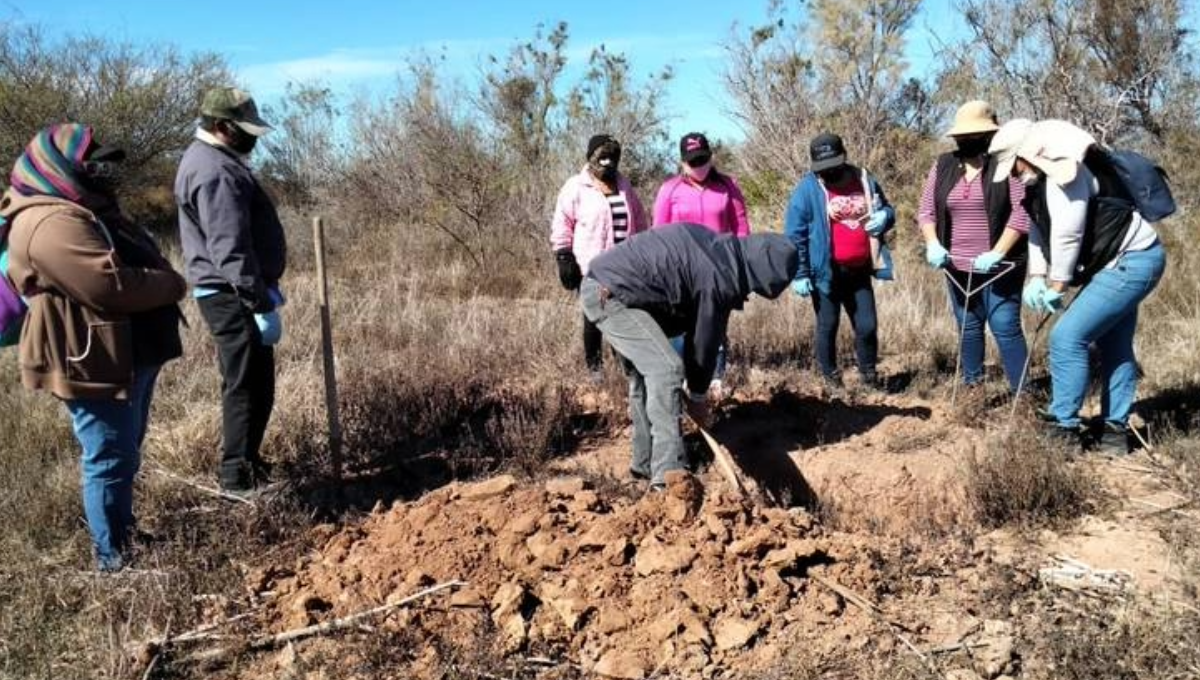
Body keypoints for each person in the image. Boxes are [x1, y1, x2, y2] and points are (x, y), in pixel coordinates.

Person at [1, 124, 186, 571]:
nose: (103, 173)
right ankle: (113, 558)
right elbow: (108, 286)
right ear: (57, 166)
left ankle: (124, 532)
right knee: (108, 456)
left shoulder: (86, 208)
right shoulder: (48, 220)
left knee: (125, 450)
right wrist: (172, 283)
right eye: (93, 165)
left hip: (121, 354)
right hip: (88, 359)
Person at [989, 119, 1166, 454]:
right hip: (1122, 263)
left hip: (1132, 260)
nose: (1012, 175)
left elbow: (1067, 234)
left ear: (1025, 156)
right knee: (1113, 341)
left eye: (1012, 166)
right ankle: (1114, 431)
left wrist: (1058, 285)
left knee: (1067, 337)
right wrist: (1037, 277)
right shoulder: (1037, 185)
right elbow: (1038, 233)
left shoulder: (1064, 177)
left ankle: (1063, 427)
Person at [580, 223, 799, 489]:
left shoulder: (723, 254)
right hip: (610, 294)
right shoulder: (720, 277)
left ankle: (644, 465)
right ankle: (668, 479)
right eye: (756, 288)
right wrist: (697, 396)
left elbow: (700, 335)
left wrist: (697, 390)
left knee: (645, 375)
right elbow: (705, 340)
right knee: (666, 370)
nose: (751, 292)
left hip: (612, 286)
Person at [176, 87, 287, 494]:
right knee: (245, 386)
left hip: (236, 291)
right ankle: (237, 480)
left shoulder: (218, 160)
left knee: (258, 382)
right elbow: (229, 247)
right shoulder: (214, 170)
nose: (254, 138)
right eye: (245, 130)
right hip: (231, 295)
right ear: (222, 126)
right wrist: (258, 300)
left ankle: (250, 464)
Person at [916, 100, 1030, 392]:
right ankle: (972, 390)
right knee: (968, 326)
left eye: (975, 135)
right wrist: (932, 244)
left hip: (1001, 266)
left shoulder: (1005, 164)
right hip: (956, 266)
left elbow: (1022, 212)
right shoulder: (943, 165)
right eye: (963, 136)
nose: (968, 140)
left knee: (1005, 326)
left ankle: (1022, 393)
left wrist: (998, 253)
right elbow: (927, 210)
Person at [784, 132, 895, 388]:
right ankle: (831, 381)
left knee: (867, 326)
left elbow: (887, 208)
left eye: (832, 165)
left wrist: (886, 217)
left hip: (859, 271)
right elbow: (795, 235)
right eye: (822, 168)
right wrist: (800, 273)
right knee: (828, 325)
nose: (827, 172)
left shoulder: (864, 180)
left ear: (843, 157)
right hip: (826, 273)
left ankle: (869, 378)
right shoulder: (807, 189)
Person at [653, 132, 752, 396]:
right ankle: (681, 379)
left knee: (715, 325)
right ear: (682, 163)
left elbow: (741, 228)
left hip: (719, 270)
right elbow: (657, 234)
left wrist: (741, 268)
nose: (699, 167)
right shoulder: (669, 189)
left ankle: (715, 378)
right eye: (692, 162)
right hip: (680, 273)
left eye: (703, 160)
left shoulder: (728, 186)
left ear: (711, 157)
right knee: (679, 328)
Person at [550, 134, 648, 382]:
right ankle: (595, 370)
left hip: (624, 266)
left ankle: (625, 368)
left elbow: (639, 221)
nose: (607, 162)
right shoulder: (575, 186)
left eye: (612, 157)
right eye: (602, 157)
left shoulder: (625, 186)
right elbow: (562, 221)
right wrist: (563, 255)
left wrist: (645, 253)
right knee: (593, 318)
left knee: (623, 316)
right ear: (591, 157)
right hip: (590, 267)